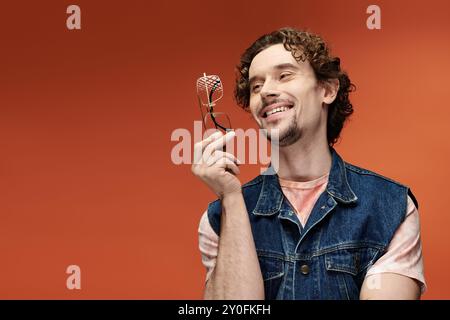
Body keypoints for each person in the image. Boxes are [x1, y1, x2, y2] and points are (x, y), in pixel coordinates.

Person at [191, 27, 425, 300]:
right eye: (256, 86)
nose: (266, 90)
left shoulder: (390, 207)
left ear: (327, 89)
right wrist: (231, 198)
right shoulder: (219, 218)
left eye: (284, 75)